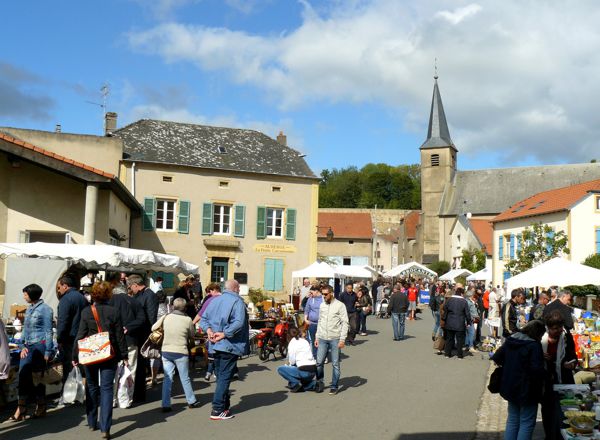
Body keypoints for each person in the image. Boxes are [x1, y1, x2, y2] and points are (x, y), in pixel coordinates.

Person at [74, 282, 128, 439]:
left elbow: (81, 334)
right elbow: (119, 336)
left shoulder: (86, 312)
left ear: (93, 295)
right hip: (108, 354)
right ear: (109, 294)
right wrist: (124, 355)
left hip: (90, 353)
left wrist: (74, 355)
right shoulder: (114, 311)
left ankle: (92, 421)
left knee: (91, 386)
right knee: (106, 389)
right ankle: (105, 428)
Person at [200, 279, 249, 420]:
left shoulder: (214, 300)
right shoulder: (237, 301)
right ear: (235, 288)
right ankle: (217, 409)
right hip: (228, 344)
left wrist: (209, 330)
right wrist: (224, 333)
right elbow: (238, 323)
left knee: (221, 376)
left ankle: (224, 407)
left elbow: (203, 319)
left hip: (215, 344)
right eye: (238, 287)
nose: (240, 289)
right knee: (224, 377)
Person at [491, 320, 546, 440]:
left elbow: (497, 358)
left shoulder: (511, 340)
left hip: (510, 385)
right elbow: (537, 370)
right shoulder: (534, 345)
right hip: (527, 389)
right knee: (527, 421)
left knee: (513, 419)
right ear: (538, 334)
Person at [8, 284, 54, 421]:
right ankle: (21, 408)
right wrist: (21, 345)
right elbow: (24, 329)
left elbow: (48, 331)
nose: (24, 297)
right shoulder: (28, 309)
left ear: (33, 295)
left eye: (26, 294)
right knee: (23, 375)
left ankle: (41, 405)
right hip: (27, 346)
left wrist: (48, 350)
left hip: (39, 346)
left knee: (38, 377)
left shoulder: (46, 309)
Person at [154, 297, 200, 412]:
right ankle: (191, 401)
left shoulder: (166, 317)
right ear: (185, 307)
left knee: (167, 378)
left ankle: (165, 404)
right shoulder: (188, 320)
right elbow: (192, 334)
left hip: (166, 350)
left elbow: (153, 328)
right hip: (181, 351)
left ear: (173, 306)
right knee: (185, 378)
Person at [541, 311, 577, 440]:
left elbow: (573, 356)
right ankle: (549, 435)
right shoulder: (540, 337)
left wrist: (572, 363)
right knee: (547, 410)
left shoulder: (567, 336)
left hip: (564, 378)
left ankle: (562, 435)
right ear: (548, 327)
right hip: (546, 380)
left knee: (564, 410)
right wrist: (540, 355)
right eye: (555, 328)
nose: (558, 331)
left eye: (560, 327)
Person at [109, 282, 144, 407]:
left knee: (113, 371)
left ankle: (112, 399)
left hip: (113, 341)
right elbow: (141, 319)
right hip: (130, 339)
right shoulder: (134, 302)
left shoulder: (110, 301)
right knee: (130, 369)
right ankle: (127, 399)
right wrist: (128, 328)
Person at [127, 274, 158, 403]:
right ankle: (136, 392)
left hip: (143, 334)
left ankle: (139, 394)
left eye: (130, 287)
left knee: (140, 366)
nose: (130, 289)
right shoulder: (139, 295)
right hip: (137, 334)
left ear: (135, 285)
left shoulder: (149, 295)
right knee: (137, 365)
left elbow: (151, 318)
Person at [315, 284, 349, 395]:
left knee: (335, 363)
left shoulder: (340, 305)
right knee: (319, 362)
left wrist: (342, 339)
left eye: (325, 294)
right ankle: (320, 382)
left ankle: (334, 385)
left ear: (331, 293)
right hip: (322, 338)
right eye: (322, 294)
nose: (323, 296)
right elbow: (320, 321)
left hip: (335, 338)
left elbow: (345, 323)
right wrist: (317, 336)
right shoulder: (322, 305)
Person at [56, 274, 88, 385]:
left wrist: (59, 339)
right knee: (78, 367)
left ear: (65, 286)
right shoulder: (82, 298)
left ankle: (68, 395)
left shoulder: (66, 299)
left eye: (59, 287)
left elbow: (63, 322)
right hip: (81, 336)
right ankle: (78, 393)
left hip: (69, 339)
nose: (58, 290)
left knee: (69, 368)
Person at [192, 283, 222, 381]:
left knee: (212, 352)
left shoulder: (210, 300)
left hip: (213, 330)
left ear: (213, 290)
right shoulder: (227, 299)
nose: (209, 294)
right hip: (225, 331)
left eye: (209, 292)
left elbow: (201, 314)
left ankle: (211, 372)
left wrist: (192, 323)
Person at [277, 327, 317, 392]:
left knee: (280, 369)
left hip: (304, 371)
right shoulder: (305, 341)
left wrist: (288, 365)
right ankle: (312, 384)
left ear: (288, 335)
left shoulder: (292, 343)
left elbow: (292, 361)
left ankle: (296, 384)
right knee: (299, 370)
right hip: (313, 370)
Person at [441, 285, 472, 359]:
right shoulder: (464, 301)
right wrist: (468, 322)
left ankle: (447, 354)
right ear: (461, 294)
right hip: (460, 323)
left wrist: (445, 318)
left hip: (449, 322)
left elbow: (445, 308)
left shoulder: (450, 300)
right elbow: (467, 313)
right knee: (460, 340)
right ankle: (459, 355)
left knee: (449, 339)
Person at [303, 285, 323, 359]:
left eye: (311, 293)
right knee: (313, 340)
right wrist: (306, 319)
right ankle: (315, 356)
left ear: (316, 291)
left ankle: (323, 355)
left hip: (321, 324)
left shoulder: (323, 299)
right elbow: (307, 310)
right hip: (312, 323)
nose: (310, 294)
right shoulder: (310, 299)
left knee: (321, 340)